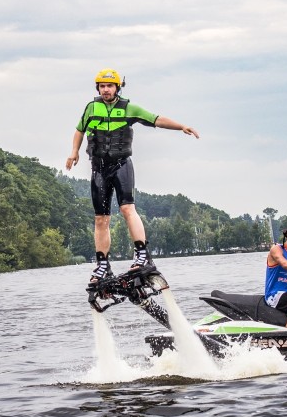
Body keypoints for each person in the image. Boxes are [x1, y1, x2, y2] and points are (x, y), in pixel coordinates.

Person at [65, 68, 200, 282]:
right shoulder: (91, 108)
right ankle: (102, 266)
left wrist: (181, 126)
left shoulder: (129, 108)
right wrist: (74, 152)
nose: (106, 90)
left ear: (117, 87)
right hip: (98, 168)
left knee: (127, 208)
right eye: (102, 86)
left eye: (109, 86)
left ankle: (142, 255)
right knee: (101, 219)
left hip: (121, 165)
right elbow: (79, 130)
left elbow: (156, 119)